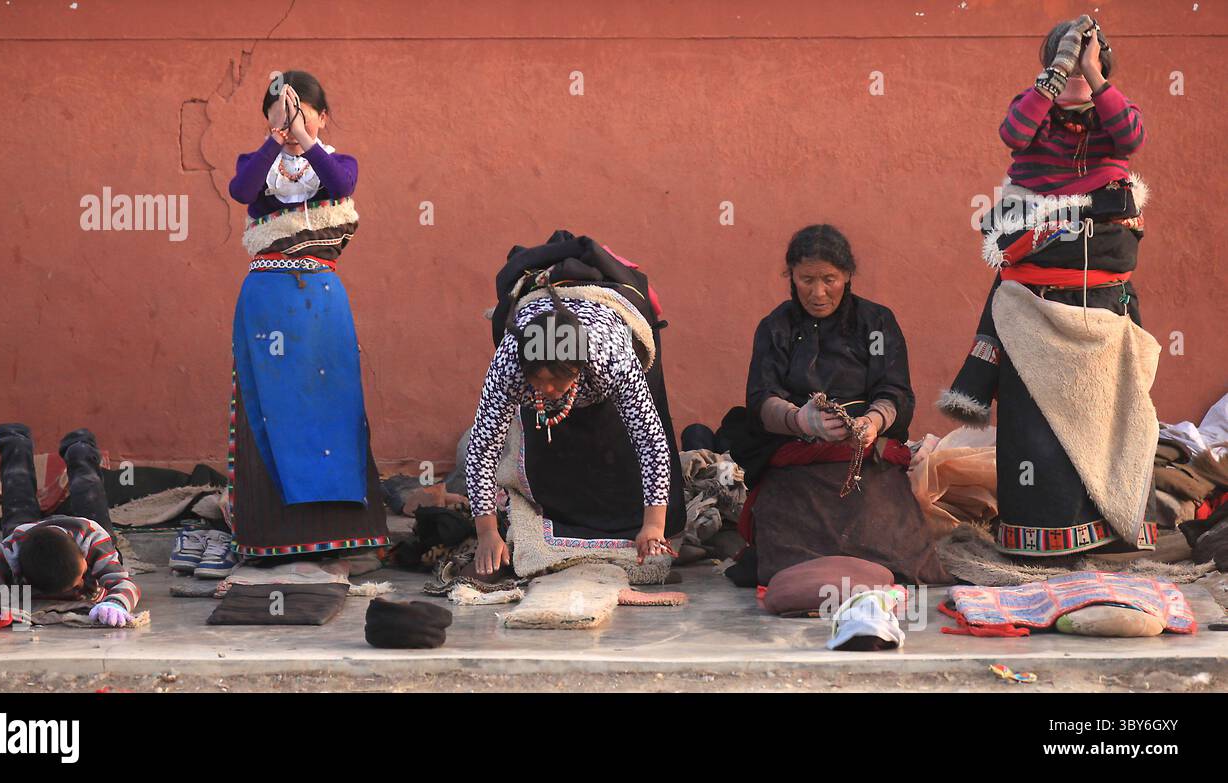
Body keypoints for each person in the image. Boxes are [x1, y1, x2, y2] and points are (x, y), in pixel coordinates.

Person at [939, 16, 1158, 557]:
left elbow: (1132, 138)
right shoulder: (1034, 109)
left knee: (1105, 421)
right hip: (1033, 306)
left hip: (1100, 302)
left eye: (1093, 56)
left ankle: (1109, 530)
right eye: (1069, 57)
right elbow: (1012, 134)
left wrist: (1094, 74)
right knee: (1039, 428)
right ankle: (1043, 536)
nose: (1081, 69)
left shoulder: (1113, 114)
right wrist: (1058, 71)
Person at [720, 225, 949, 586]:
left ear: (847, 276)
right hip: (799, 459)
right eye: (806, 279)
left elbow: (896, 392)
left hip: (863, 458)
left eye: (830, 278)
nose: (818, 292)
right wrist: (801, 421)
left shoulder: (876, 324)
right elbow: (760, 398)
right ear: (791, 276)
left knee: (900, 555)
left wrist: (872, 422)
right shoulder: (776, 327)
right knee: (780, 559)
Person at [225, 70, 388, 558]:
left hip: (320, 306)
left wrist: (305, 139)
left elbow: (339, 186)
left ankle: (339, 534)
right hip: (267, 305)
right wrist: (276, 141)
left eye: (301, 111)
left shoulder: (337, 165)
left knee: (331, 404)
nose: (288, 121)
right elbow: (241, 189)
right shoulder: (257, 165)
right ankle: (273, 539)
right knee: (270, 408)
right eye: (276, 113)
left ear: (323, 116)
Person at [465, 232, 686, 577]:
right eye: (540, 381)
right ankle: (561, 523)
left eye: (559, 380)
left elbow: (650, 442)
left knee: (621, 452)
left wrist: (654, 527)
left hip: (611, 339)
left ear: (580, 368)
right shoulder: (510, 364)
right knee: (547, 457)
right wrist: (487, 534)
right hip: (545, 352)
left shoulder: (611, 358)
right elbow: (483, 449)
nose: (550, 390)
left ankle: (640, 524)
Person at [0, 424, 139, 627]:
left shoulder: (93, 540)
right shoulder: (9, 553)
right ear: (24, 575)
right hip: (25, 533)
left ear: (83, 556)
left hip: (86, 529)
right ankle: (14, 443)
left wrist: (116, 603)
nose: (82, 586)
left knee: (89, 495)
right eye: (74, 586)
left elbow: (124, 584)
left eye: (80, 578)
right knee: (17, 503)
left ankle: (80, 449)